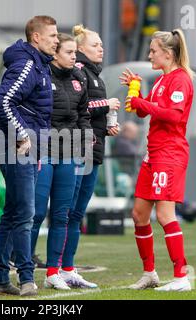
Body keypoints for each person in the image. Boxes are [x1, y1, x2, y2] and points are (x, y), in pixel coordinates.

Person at [0, 15, 58, 297]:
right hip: (16, 146)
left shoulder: (39, 65)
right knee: (25, 214)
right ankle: (27, 278)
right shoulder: (28, 64)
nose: (56, 40)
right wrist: (23, 134)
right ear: (36, 38)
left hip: (25, 145)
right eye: (52, 35)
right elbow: (1, 101)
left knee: (13, 213)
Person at [119, 29, 194, 291]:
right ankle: (150, 273)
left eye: (153, 51)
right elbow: (143, 113)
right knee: (139, 215)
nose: (149, 54)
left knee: (164, 215)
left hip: (170, 154)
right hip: (153, 155)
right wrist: (135, 90)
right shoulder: (162, 80)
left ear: (168, 53)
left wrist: (144, 103)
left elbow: (173, 116)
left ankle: (181, 276)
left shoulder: (180, 80)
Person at [57, 25, 120, 289]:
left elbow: (90, 113)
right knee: (67, 212)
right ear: (81, 49)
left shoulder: (96, 75)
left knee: (77, 214)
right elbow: (80, 107)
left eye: (102, 45)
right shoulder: (78, 72)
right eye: (96, 45)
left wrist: (106, 126)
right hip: (79, 150)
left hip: (94, 150)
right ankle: (56, 267)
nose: (101, 49)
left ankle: (69, 268)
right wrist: (107, 105)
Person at [30, 33, 92, 290]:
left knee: (62, 214)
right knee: (35, 213)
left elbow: (83, 113)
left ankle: (54, 272)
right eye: (69, 53)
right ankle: (24, 268)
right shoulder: (43, 76)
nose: (74, 57)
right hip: (44, 151)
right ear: (55, 54)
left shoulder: (79, 79)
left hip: (69, 154)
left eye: (75, 53)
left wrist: (86, 137)